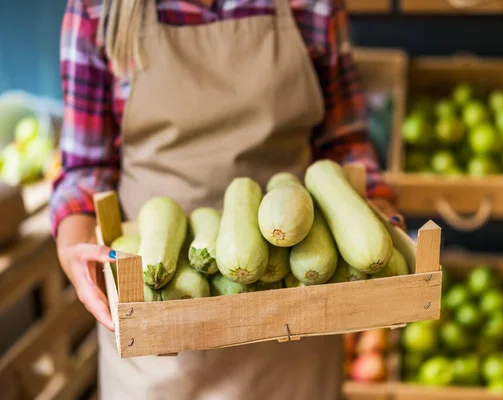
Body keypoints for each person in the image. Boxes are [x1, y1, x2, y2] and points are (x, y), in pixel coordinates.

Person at [51, 0, 398, 398]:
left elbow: (344, 143)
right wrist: (75, 248)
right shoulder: (96, 7)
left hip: (294, 308)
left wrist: (377, 211)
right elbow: (84, 168)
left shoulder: (312, 4)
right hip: (158, 331)